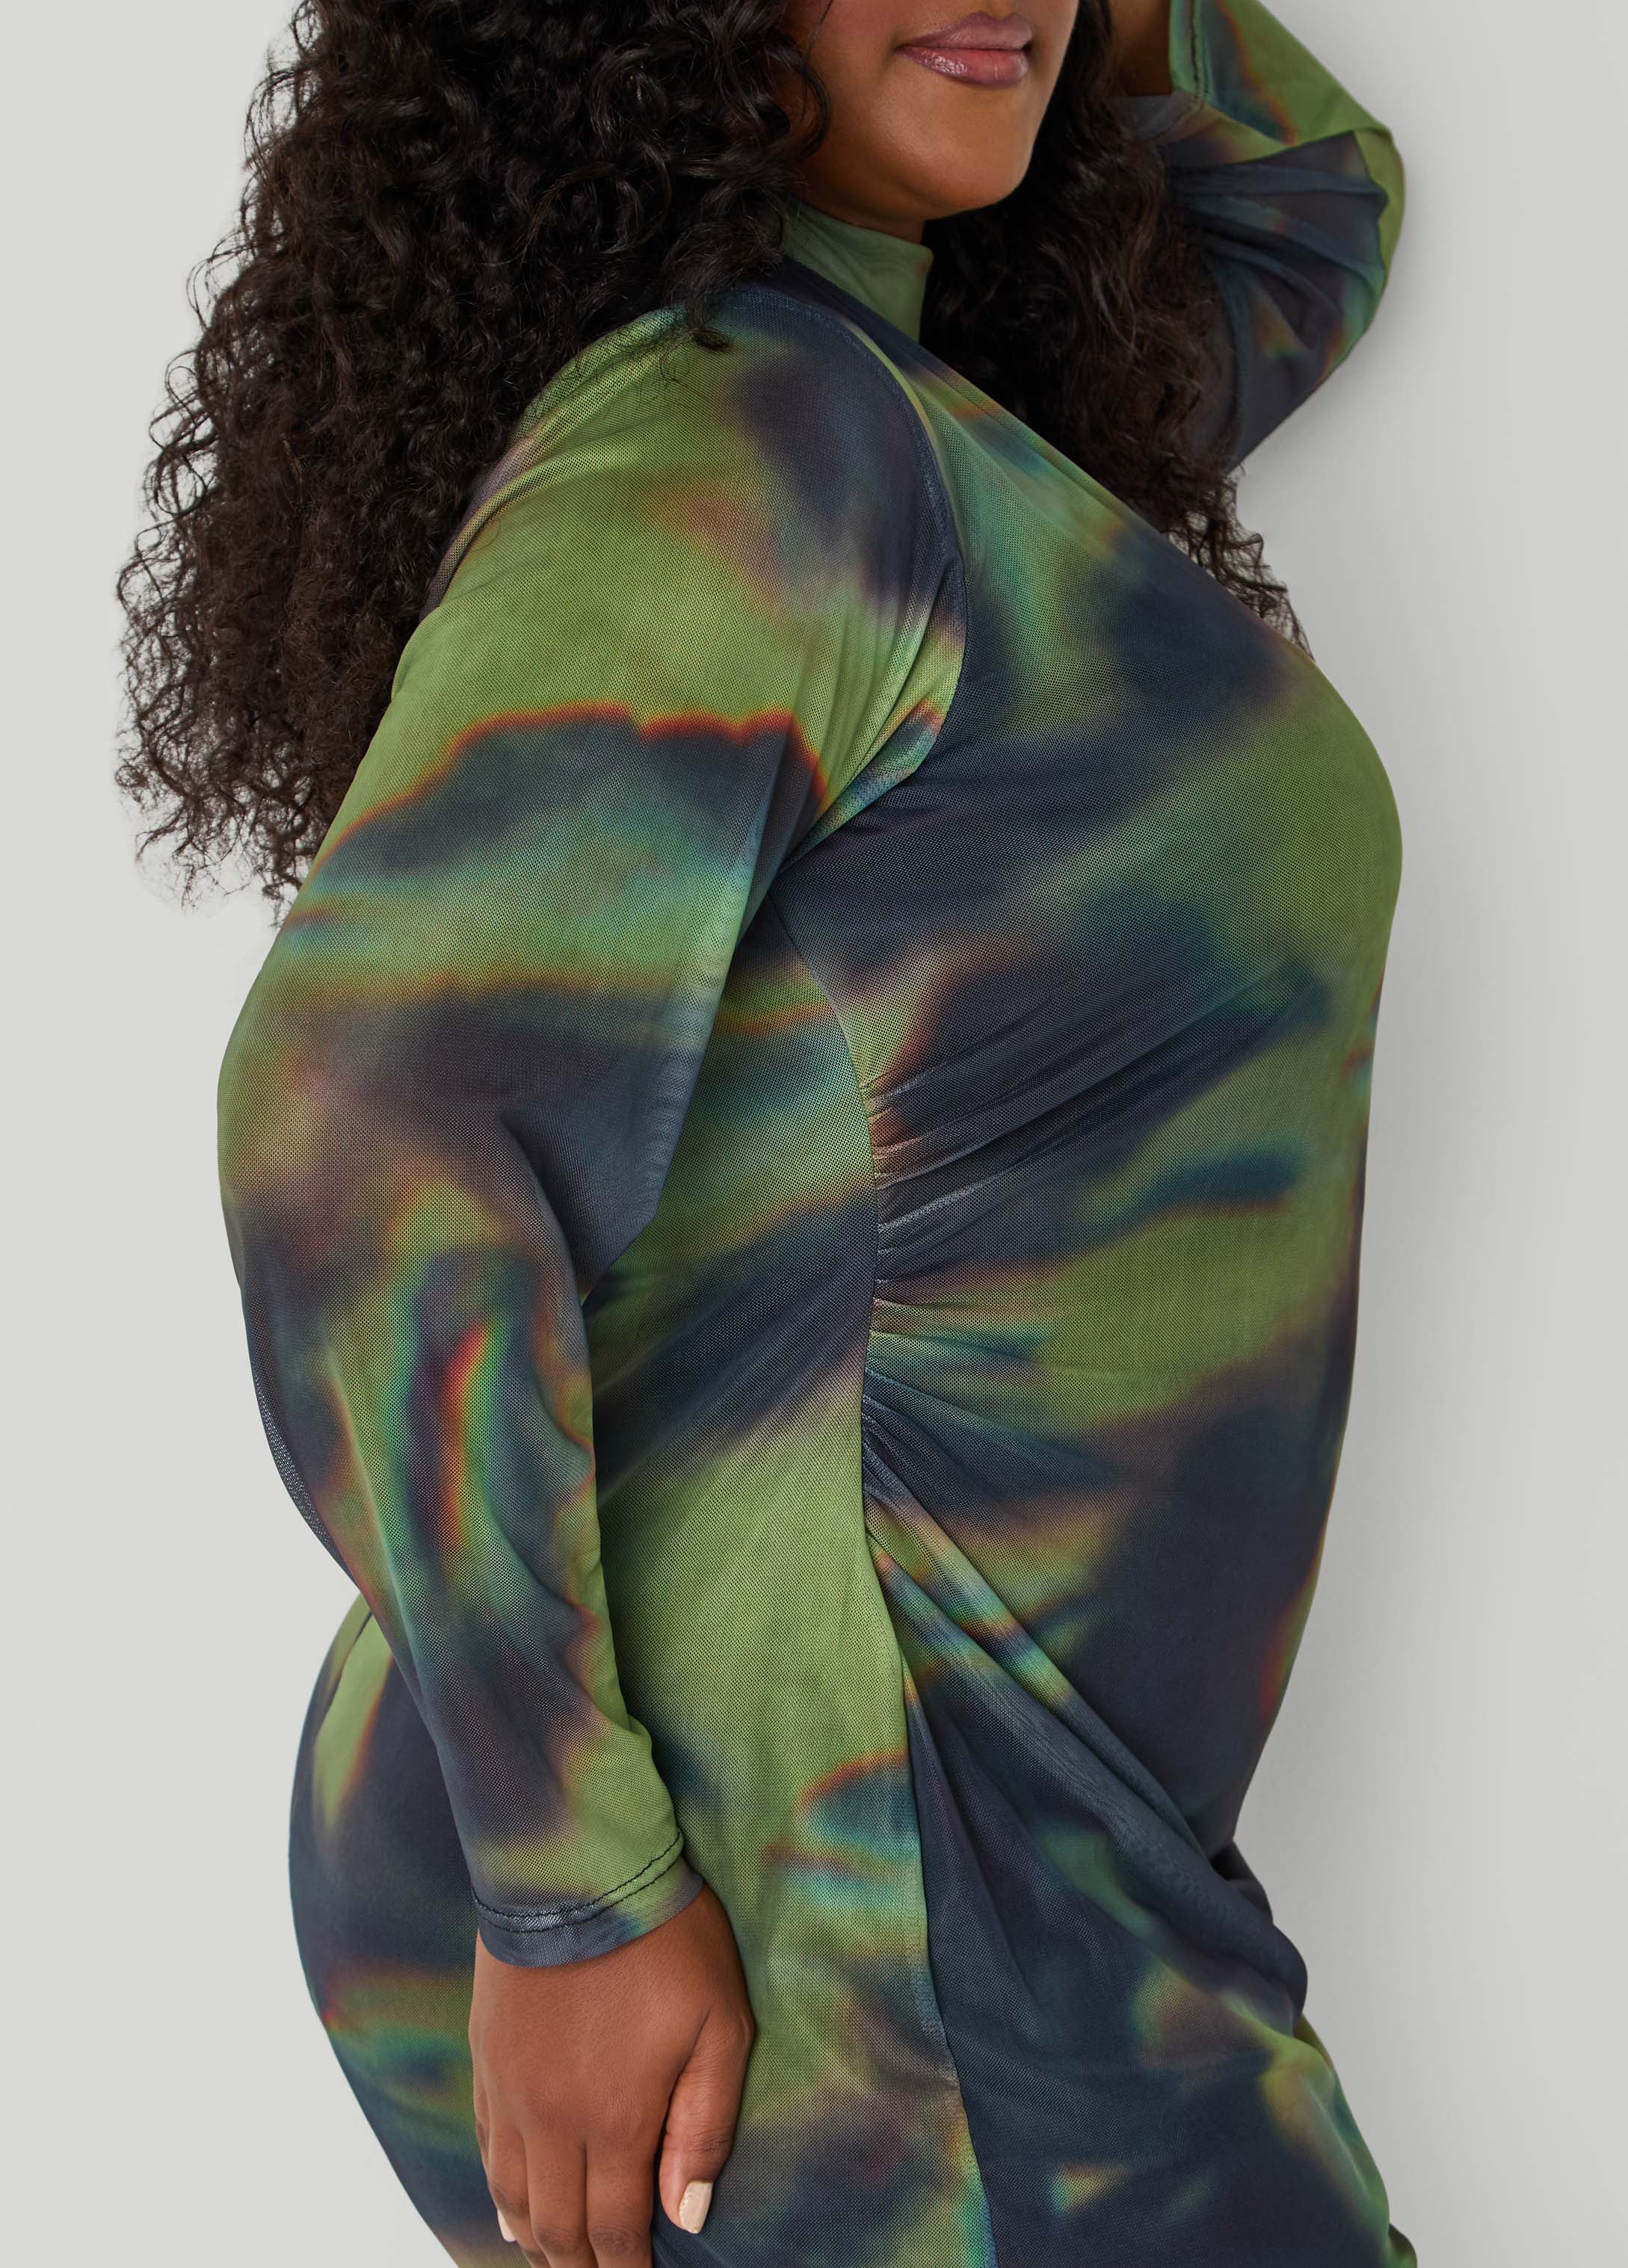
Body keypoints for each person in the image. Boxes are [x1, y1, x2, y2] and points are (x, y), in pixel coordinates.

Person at [117, 1, 1412, 2261]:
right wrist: (577, 1890)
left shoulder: (948, 433)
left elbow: (1303, 202)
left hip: (949, 1857)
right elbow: (360, 1122)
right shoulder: (763, 437)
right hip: (830, 1878)